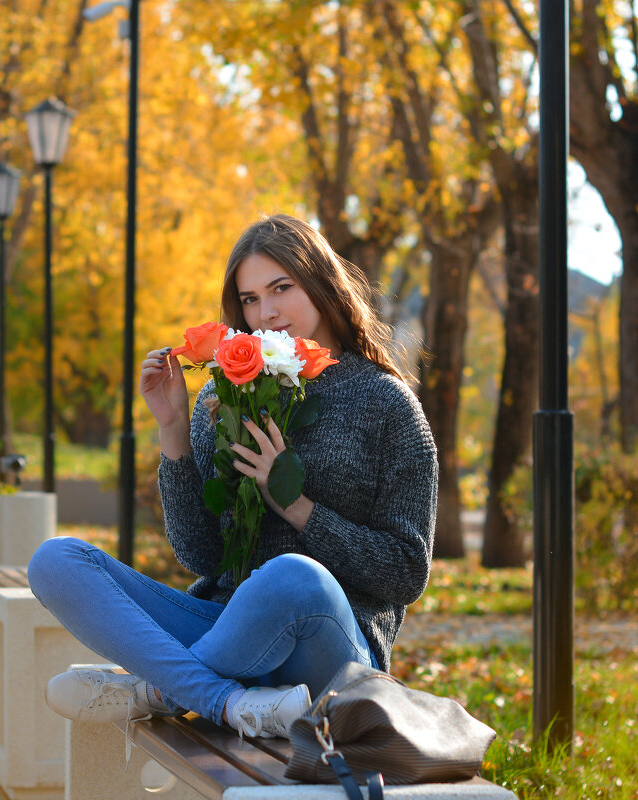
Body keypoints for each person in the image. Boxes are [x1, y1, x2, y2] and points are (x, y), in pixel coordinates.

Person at [27, 213, 437, 740]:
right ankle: (225, 700)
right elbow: (203, 557)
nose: (266, 312)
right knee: (56, 560)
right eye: (249, 299)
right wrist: (173, 429)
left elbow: (406, 572)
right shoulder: (227, 396)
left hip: (332, 651)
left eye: (281, 288)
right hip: (225, 633)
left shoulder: (388, 405)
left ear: (320, 280)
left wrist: (296, 507)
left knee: (294, 576)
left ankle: (156, 692)